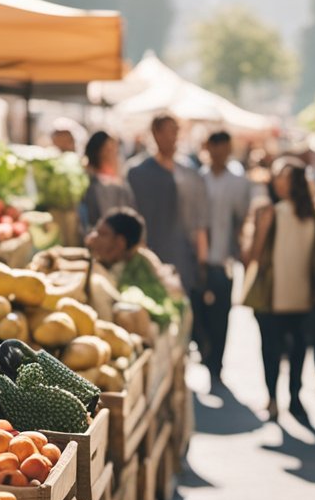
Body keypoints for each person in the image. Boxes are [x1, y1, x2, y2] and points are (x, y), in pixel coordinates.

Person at [242, 156, 315, 422]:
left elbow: (253, 257)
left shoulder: (271, 211)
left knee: (271, 349)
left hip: (276, 296)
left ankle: (274, 400)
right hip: (305, 297)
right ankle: (293, 398)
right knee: (298, 350)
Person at [127, 115, 209, 299]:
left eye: (175, 132)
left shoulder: (190, 173)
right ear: (155, 134)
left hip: (184, 256)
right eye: (166, 132)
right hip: (149, 255)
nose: (171, 137)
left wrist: (202, 260)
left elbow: (200, 219)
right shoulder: (137, 172)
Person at [196, 131, 254, 385]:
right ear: (208, 148)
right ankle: (205, 352)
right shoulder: (197, 179)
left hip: (224, 260)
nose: (219, 152)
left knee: (221, 315)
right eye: (215, 147)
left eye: (224, 148)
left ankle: (216, 363)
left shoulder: (239, 181)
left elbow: (243, 219)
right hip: (198, 260)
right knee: (199, 313)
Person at [81, 131, 136, 232]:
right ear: (97, 152)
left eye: (115, 149)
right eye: (108, 149)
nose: (113, 153)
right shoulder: (92, 183)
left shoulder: (119, 179)